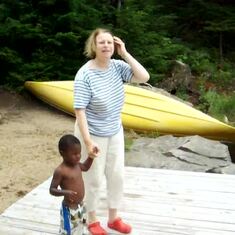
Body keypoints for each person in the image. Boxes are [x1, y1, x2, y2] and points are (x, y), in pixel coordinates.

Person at [73, 28, 150, 235]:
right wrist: (88, 142)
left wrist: (125, 53)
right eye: (101, 42)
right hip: (92, 132)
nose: (106, 45)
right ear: (94, 46)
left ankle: (114, 218)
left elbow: (143, 76)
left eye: (109, 42)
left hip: (114, 129)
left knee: (117, 176)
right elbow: (79, 111)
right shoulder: (85, 74)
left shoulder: (117, 66)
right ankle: (92, 220)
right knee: (94, 178)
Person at [49, 134, 95, 235]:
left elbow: (86, 167)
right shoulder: (60, 171)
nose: (78, 156)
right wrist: (65, 192)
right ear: (63, 153)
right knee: (68, 231)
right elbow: (52, 189)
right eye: (74, 154)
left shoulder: (77, 165)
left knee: (81, 225)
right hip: (69, 209)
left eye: (79, 153)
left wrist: (91, 157)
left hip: (81, 205)